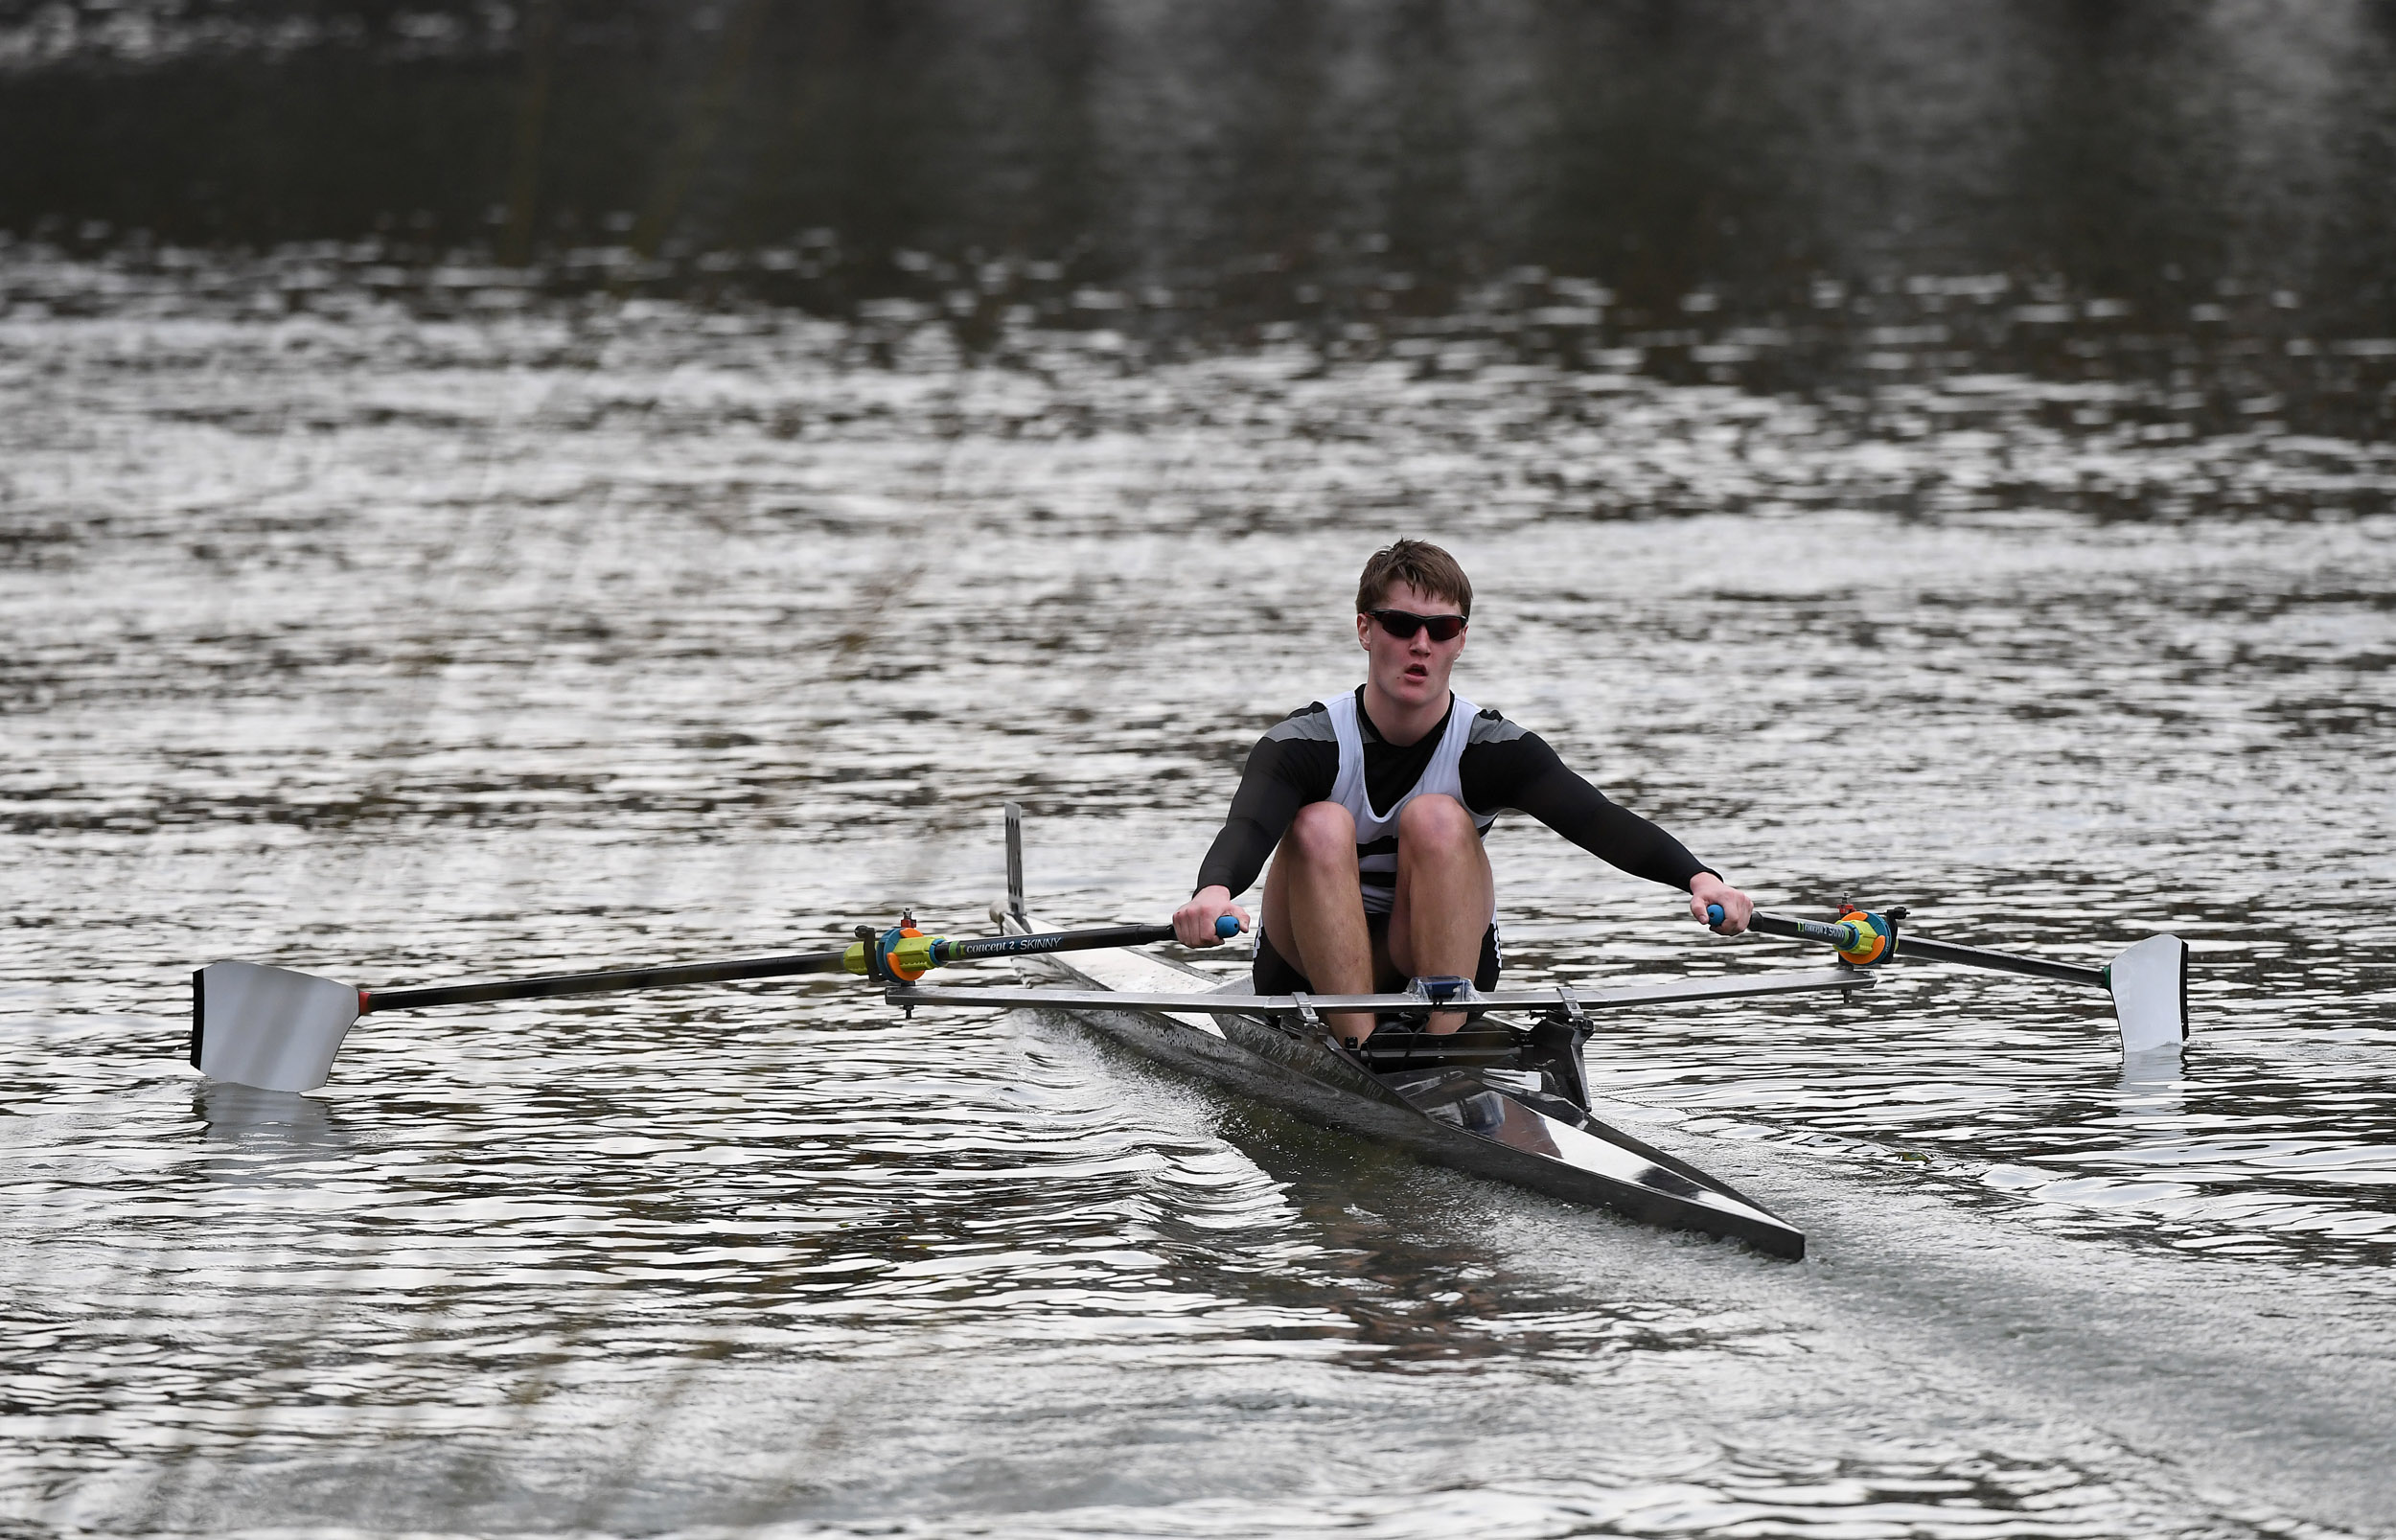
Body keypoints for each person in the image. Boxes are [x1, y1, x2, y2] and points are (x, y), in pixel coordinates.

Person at [1171, 539, 1753, 1048]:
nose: (1420, 644)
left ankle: (1439, 1042)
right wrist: (1213, 892)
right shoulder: (1305, 744)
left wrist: (1701, 879)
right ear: (1365, 629)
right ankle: (1359, 1045)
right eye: (1401, 624)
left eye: (1440, 628)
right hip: (1304, 961)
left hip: (1427, 952)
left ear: (1460, 640)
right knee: (1319, 823)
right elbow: (1248, 828)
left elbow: (1596, 819)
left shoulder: (1492, 748)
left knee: (1438, 819)